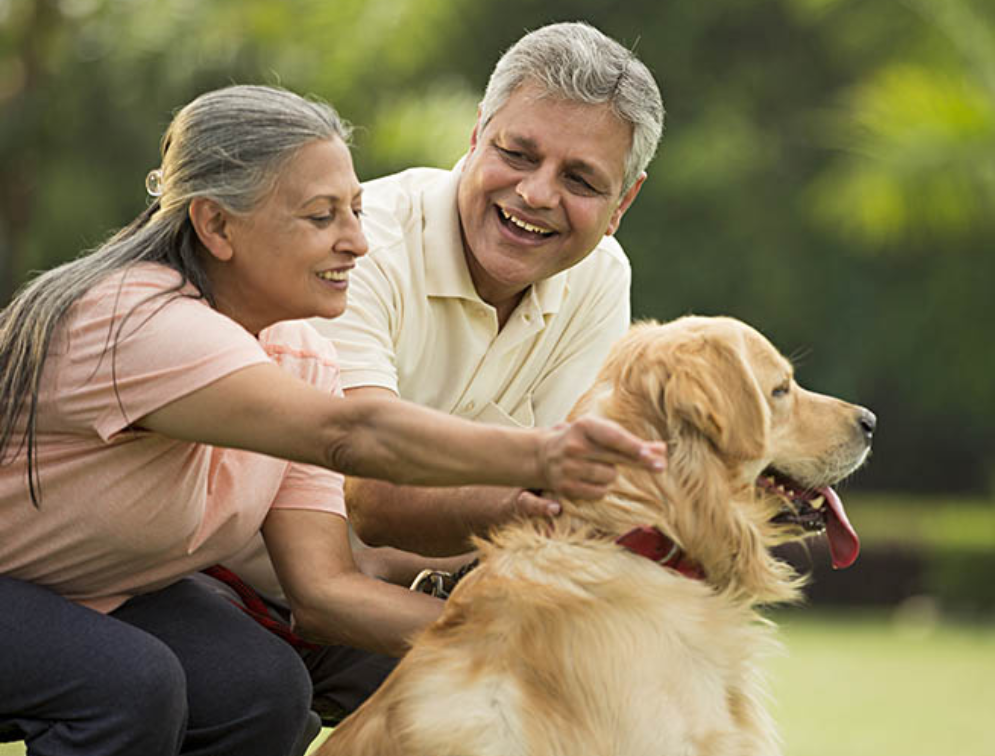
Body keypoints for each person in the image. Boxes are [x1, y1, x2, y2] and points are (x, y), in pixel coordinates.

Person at [0, 83, 665, 756]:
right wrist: (542, 459)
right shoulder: (141, 321)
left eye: (356, 210)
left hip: (80, 592)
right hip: (25, 590)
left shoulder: (299, 351)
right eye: (322, 217)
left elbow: (325, 591)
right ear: (216, 226)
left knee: (257, 688)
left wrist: (535, 650)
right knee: (130, 685)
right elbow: (351, 436)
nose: (357, 242)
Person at [209, 22, 667, 725]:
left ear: (622, 206)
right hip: (230, 585)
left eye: (580, 179)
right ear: (477, 134)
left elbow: (574, 498)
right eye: (518, 153)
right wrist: (555, 498)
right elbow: (376, 500)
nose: (538, 194)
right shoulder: (360, 246)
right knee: (263, 688)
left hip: (405, 596)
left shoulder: (601, 275)